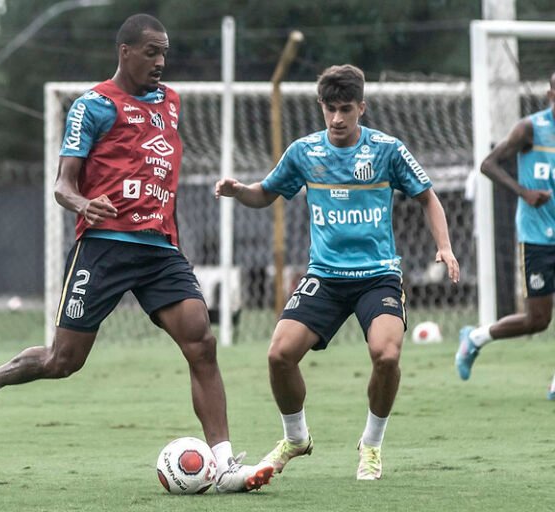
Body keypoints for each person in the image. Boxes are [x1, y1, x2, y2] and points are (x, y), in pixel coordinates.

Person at [0, 14, 272, 493]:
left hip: (159, 248)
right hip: (104, 246)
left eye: (165, 53)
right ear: (125, 52)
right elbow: (62, 185)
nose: (160, 61)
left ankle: (222, 465)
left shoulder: (171, 104)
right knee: (63, 360)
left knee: (201, 342)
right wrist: (83, 203)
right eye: (151, 52)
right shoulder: (92, 106)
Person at [216, 64, 460, 480]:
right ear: (320, 107)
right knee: (279, 354)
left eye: (346, 108)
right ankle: (296, 438)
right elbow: (265, 194)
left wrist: (445, 247)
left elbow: (428, 197)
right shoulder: (304, 152)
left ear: (362, 107)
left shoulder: (387, 150)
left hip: (378, 276)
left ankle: (371, 444)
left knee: (386, 355)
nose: (337, 119)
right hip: (325, 277)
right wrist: (240, 192)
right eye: (330, 109)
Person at [455, 71, 555, 399]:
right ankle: (476, 338)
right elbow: (488, 164)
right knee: (537, 320)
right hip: (537, 236)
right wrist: (524, 192)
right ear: (550, 94)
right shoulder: (531, 129)